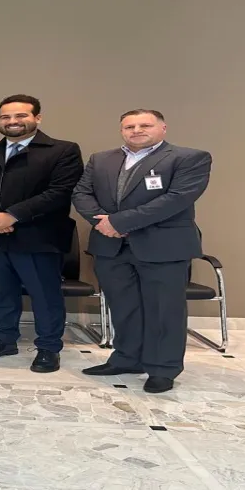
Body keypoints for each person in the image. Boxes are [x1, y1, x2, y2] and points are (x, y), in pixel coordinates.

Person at [72, 109, 212, 394]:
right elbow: (81, 193)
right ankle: (127, 358)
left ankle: (162, 368)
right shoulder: (101, 159)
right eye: (129, 126)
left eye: (145, 125)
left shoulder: (189, 158)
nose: (136, 130)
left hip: (162, 246)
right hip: (111, 246)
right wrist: (103, 223)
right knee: (123, 307)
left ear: (163, 128)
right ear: (122, 130)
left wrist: (119, 222)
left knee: (164, 310)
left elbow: (176, 199)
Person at [0, 95, 84, 373]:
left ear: (37, 118)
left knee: (45, 295)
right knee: (1, 293)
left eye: (21, 116)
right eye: (5, 117)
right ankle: (3, 340)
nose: (12, 121)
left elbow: (60, 191)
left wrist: (12, 216)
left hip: (38, 237)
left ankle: (48, 348)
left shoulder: (62, 150)